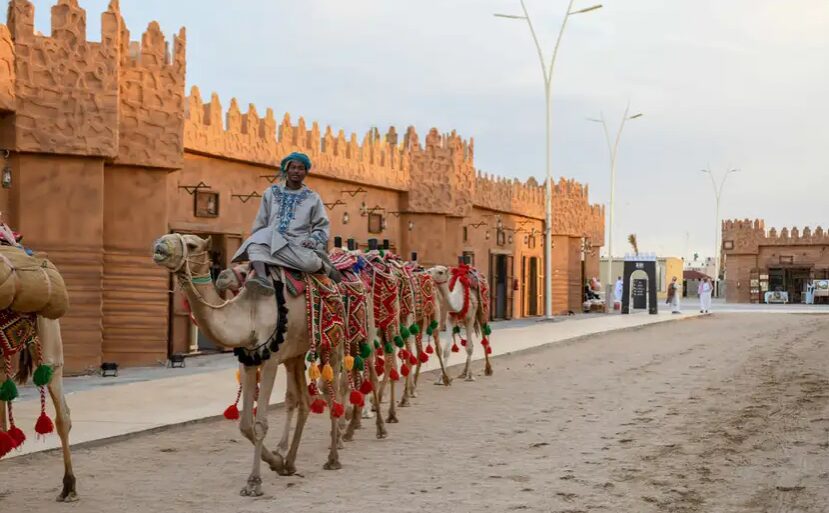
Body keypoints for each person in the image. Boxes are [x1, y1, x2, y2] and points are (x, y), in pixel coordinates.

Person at [232, 152, 342, 295]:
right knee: (255, 246)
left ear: (305, 172)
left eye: (300, 168)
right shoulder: (271, 192)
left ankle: (324, 266)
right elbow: (261, 220)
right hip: (271, 240)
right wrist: (258, 238)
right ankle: (262, 280)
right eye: (293, 167)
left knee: (310, 264)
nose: (296, 171)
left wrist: (313, 240)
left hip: (298, 244)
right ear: (286, 169)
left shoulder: (312, 197)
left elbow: (321, 226)